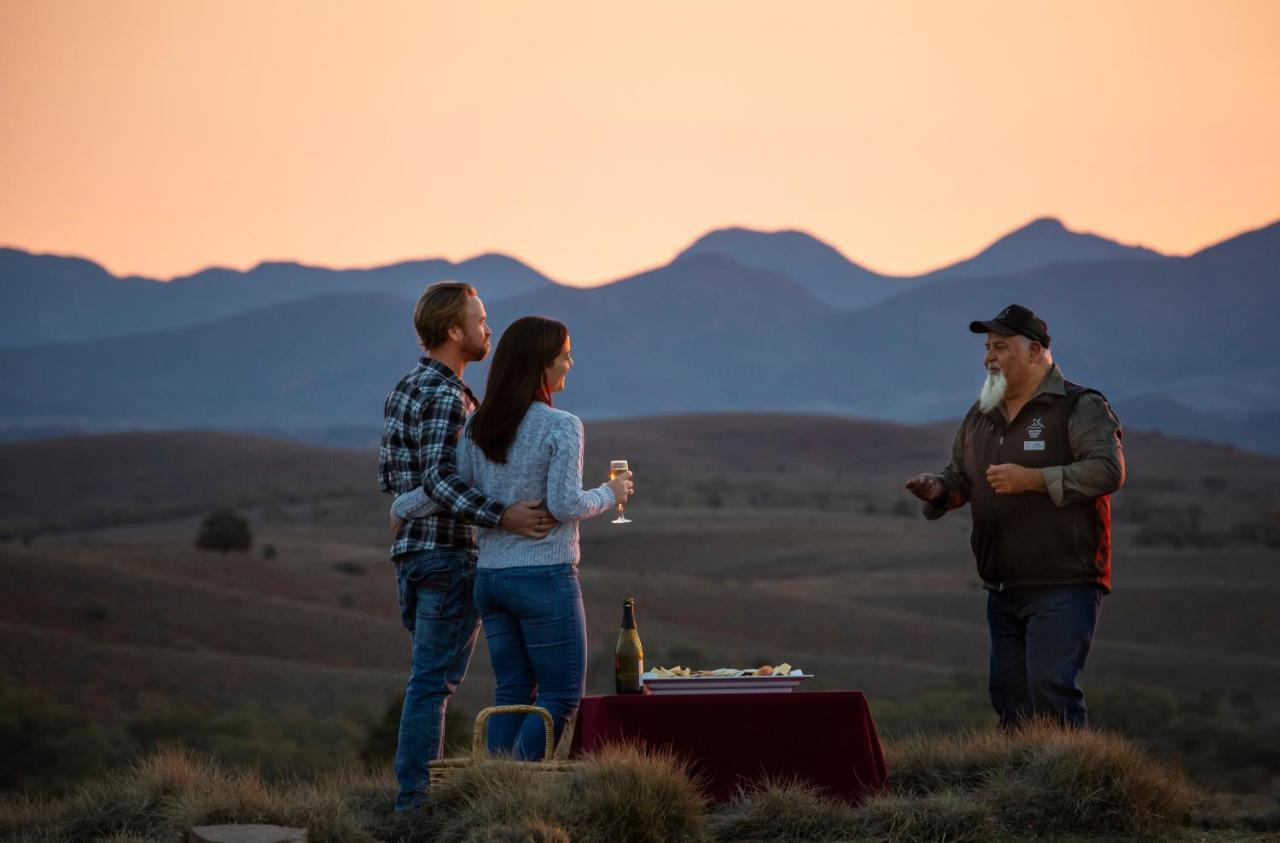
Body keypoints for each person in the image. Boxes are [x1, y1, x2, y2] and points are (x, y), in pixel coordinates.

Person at [392, 316, 633, 759]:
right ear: (540, 364)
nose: (570, 364)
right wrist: (610, 492)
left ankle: (494, 793)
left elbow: (446, 485)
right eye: (564, 356)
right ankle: (517, 791)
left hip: (491, 580)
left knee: (513, 694)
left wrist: (401, 508)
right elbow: (564, 506)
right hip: (543, 577)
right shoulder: (561, 425)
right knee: (560, 695)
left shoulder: (479, 426)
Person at [378, 282, 555, 812]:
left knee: (427, 680)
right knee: (433, 684)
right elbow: (438, 477)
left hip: (411, 556)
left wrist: (406, 507)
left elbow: (392, 475)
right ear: (454, 331)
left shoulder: (405, 388)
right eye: (480, 321)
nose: (488, 330)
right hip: (449, 554)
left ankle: (413, 795)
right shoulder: (447, 395)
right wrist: (502, 514)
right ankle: (413, 803)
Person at [905, 304, 1124, 729]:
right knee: (1009, 694)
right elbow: (962, 477)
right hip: (1003, 583)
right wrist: (939, 489)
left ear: (1036, 352)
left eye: (1001, 347)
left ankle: (1068, 787)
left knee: (1050, 687)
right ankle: (1019, 790)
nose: (989, 356)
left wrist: (1034, 480)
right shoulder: (981, 414)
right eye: (987, 347)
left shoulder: (1079, 405)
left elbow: (1108, 470)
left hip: (1065, 579)